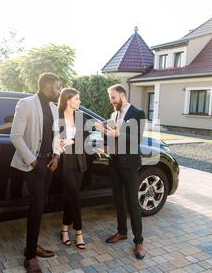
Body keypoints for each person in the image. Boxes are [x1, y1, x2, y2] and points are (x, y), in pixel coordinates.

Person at [10, 73, 61, 273]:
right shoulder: (26, 104)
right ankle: (30, 256)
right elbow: (15, 136)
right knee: (37, 206)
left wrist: (57, 155)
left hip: (49, 164)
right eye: (57, 88)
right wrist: (33, 161)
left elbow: (58, 135)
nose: (59, 91)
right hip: (33, 165)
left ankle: (32, 245)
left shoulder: (53, 108)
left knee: (41, 206)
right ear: (48, 86)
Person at [96, 84, 146, 259]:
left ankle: (139, 241)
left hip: (130, 164)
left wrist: (118, 134)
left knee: (133, 202)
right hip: (114, 163)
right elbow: (111, 137)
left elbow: (137, 138)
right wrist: (104, 142)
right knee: (118, 199)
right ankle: (122, 232)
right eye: (110, 98)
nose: (111, 101)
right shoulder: (113, 115)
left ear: (122, 95)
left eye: (113, 97)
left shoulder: (138, 113)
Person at [57, 88, 88, 250]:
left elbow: (85, 138)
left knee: (71, 196)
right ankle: (79, 232)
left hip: (79, 161)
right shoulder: (58, 116)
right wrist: (62, 142)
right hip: (64, 162)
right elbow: (55, 139)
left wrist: (72, 141)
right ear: (68, 100)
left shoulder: (80, 116)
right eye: (76, 99)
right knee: (75, 196)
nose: (79, 101)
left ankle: (64, 229)